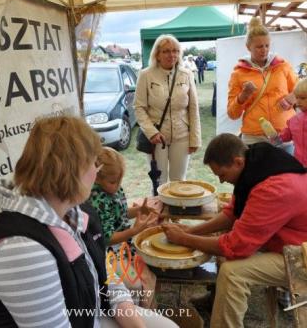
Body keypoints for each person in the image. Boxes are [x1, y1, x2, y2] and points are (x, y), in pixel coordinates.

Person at [0, 116, 178, 328]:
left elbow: (105, 276)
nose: (96, 171)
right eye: (93, 162)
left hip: (86, 315)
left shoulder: (75, 213)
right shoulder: (22, 248)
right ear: (73, 170)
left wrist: (134, 322)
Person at [162, 133, 307, 328]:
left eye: (222, 174)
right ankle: (217, 300)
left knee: (233, 272)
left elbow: (236, 247)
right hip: (287, 237)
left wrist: (183, 239)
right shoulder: (255, 164)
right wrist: (191, 231)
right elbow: (232, 214)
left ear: (237, 162)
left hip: (302, 253)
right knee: (222, 245)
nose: (221, 181)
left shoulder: (273, 188)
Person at [87, 147, 161, 308]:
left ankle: (147, 316)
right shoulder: (96, 199)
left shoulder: (114, 190)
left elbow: (121, 214)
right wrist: (134, 231)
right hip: (108, 252)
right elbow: (106, 238)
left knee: (148, 277)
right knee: (135, 286)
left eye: (120, 181)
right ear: (96, 178)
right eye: (113, 182)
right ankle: (134, 316)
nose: (117, 186)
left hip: (124, 246)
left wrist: (140, 210)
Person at [134, 34, 201, 185]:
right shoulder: (145, 75)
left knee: (179, 180)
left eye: (175, 51)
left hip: (182, 135)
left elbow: (193, 108)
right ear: (157, 54)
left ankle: (176, 208)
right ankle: (159, 208)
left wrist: (195, 139)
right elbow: (139, 107)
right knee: (159, 181)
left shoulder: (187, 74)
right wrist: (151, 133)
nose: (172, 55)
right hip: (157, 138)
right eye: (166, 51)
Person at [227, 17, 297, 147]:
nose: (264, 50)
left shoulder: (282, 66)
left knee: (290, 168)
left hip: (285, 134)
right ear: (248, 47)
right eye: (259, 46)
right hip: (254, 138)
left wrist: (291, 98)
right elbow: (232, 114)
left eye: (267, 45)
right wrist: (243, 96)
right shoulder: (238, 74)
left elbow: (300, 91)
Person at [276, 78, 307, 167]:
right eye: (297, 98)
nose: (298, 101)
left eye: (303, 98)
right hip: (298, 163)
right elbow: (287, 135)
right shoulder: (294, 120)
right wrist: (277, 137)